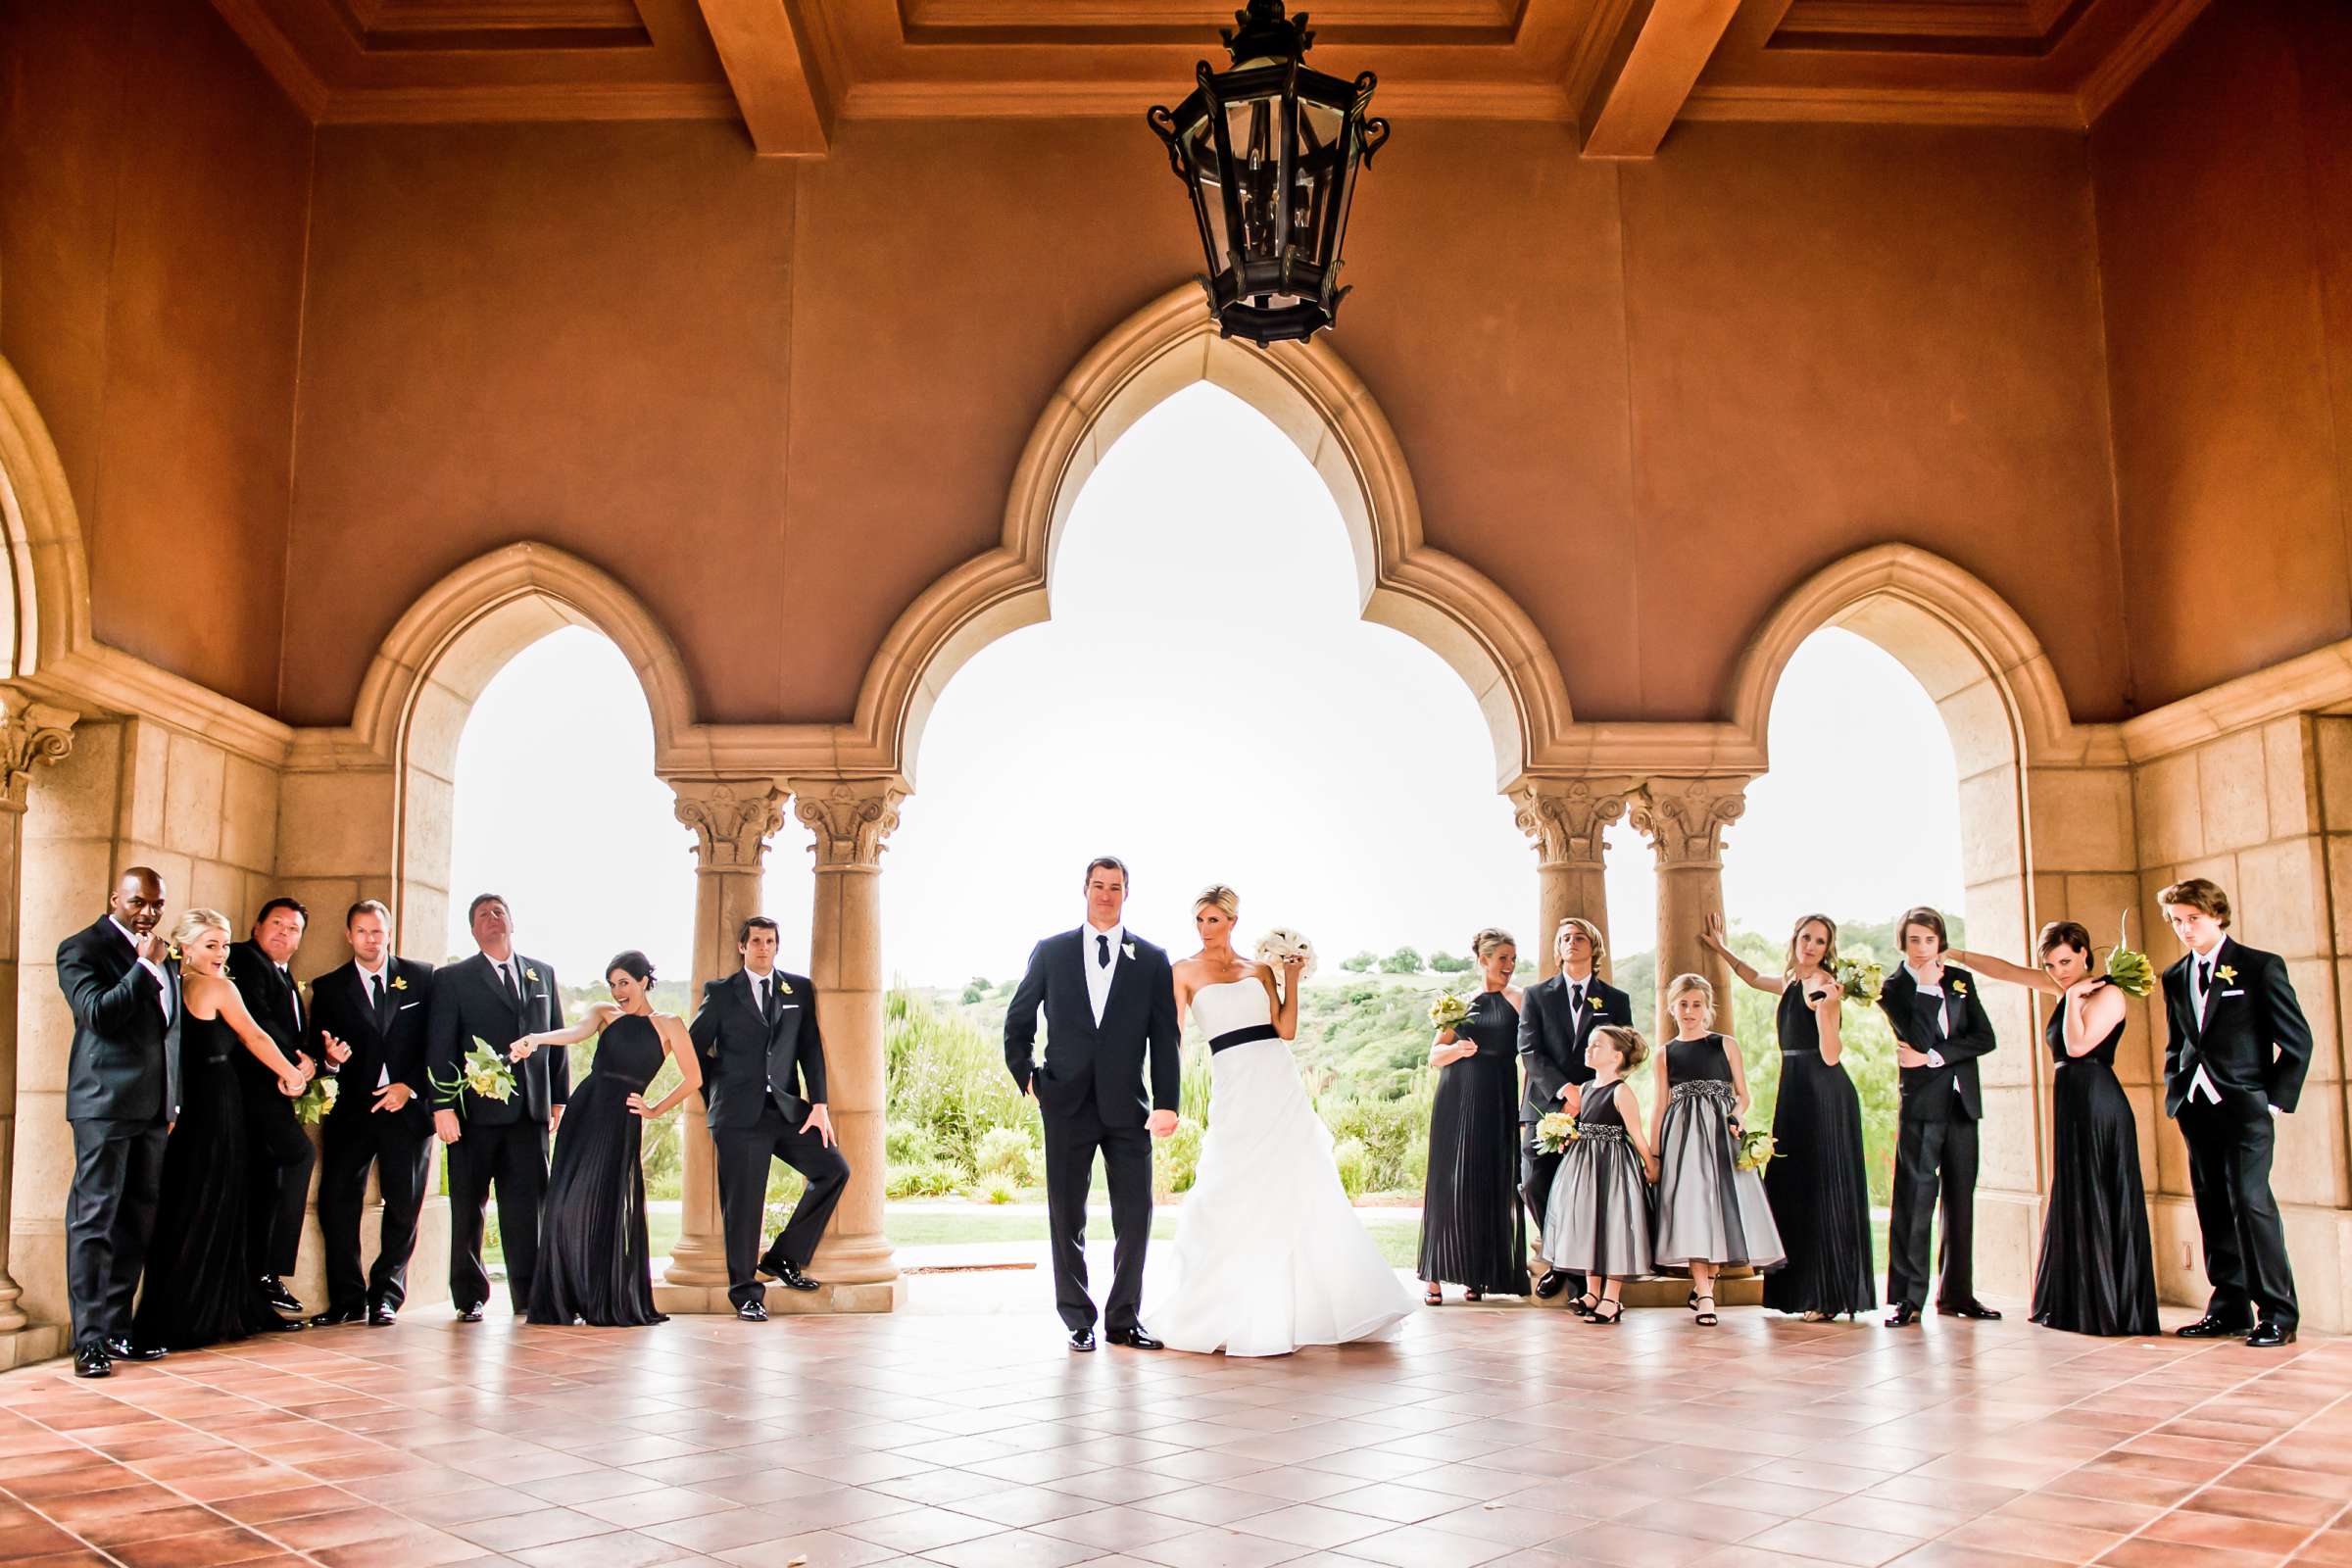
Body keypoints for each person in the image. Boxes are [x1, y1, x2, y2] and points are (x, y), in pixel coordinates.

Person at [1149, 887, 1417, 1355]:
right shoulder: (1183, 972)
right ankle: (1230, 1305)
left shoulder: (1258, 970)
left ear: (1233, 921)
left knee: (1299, 1178)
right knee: (1230, 1182)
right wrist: (1164, 1099)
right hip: (1233, 1082)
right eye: (1200, 920)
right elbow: (1170, 1038)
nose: (1206, 928)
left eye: (1215, 920)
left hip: (1277, 1078)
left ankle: (1310, 1310)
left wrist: (1289, 978)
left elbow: (1286, 1030)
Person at [1004, 857, 1181, 1352]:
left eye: (1116, 887)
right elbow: (1018, 1021)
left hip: (1129, 1108)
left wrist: (1167, 1102)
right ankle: (1077, 1319)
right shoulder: (1051, 952)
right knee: (1067, 1214)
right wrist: (1029, 1080)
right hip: (1065, 1104)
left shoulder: (1150, 958)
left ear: (1127, 893)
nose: (1107, 895)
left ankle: (1123, 1319)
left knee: (1136, 1215)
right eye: (1099, 886)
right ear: (1084, 889)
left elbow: (1165, 1039)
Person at [1947, 925, 2158, 1336]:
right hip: (2072, 1103)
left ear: (2084, 955)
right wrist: (1955, 954)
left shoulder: (2108, 993)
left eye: (2065, 962)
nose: (2057, 972)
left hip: (2099, 1103)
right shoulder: (2062, 986)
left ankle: (2110, 1308)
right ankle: (2076, 1304)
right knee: (2076, 1193)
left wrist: (2075, 999)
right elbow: (2006, 971)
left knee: (2098, 1191)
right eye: (2049, 965)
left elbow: (2077, 1047)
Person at [132, 909, 313, 1349]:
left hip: (181, 1108)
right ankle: (212, 1312)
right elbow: (255, 1038)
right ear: (186, 946)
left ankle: (183, 1310)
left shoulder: (166, 983)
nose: (221, 952)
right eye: (211, 944)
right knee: (216, 1204)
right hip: (215, 1108)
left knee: (186, 1206)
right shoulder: (218, 987)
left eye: (226, 944)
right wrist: (293, 1075)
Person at [2158, 878, 2313, 1348]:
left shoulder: (2259, 967)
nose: (2185, 929)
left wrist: (2269, 1100)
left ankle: (2278, 1314)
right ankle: (2228, 1305)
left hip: (2246, 1108)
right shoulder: (2174, 976)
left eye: (2193, 919)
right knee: (2212, 1203)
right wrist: (2176, 1086)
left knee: (2249, 1201)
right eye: (2178, 921)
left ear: (2218, 916)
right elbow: (2179, 1042)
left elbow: (2297, 1042)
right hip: (2196, 1106)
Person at [1703, 912, 1873, 1320]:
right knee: (1794, 1185)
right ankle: (1803, 1291)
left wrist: (1828, 1011)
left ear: (1827, 949)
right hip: (1795, 1088)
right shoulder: (1792, 981)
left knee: (1821, 1187)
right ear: (1795, 939)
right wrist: (1722, 947)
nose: (1810, 946)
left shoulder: (1821, 986)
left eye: (1819, 941)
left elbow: (1831, 1055)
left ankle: (1825, 1294)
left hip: (1823, 1092)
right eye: (1805, 938)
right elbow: (1752, 977)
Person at [524, 951, 700, 1326]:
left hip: (621, 1118)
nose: (618, 991)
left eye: (624, 982)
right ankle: (561, 1297)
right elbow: (575, 1033)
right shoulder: (605, 1013)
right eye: (613, 984)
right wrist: (537, 1038)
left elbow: (694, 1078)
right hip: (586, 1110)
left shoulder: (669, 1025)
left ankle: (601, 1299)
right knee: (564, 1205)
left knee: (605, 1205)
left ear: (643, 981)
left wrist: (654, 1109)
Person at [691, 915, 851, 1322]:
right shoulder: (722, 993)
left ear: (777, 947)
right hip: (737, 1116)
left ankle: (783, 1257)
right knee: (744, 1206)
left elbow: (810, 1046)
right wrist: (716, 1095)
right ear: (742, 947)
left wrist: (819, 1104)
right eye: (756, 941)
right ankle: (745, 1293)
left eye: (770, 941)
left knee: (833, 1170)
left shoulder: (797, 988)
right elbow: (693, 1050)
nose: (763, 947)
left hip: (787, 1110)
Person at [56, 867, 182, 1377]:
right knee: (94, 1222)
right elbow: (99, 1015)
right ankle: (87, 1340)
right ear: (116, 898)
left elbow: (168, 1031)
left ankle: (116, 1331)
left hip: (152, 1111)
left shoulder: (162, 951)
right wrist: (145, 970)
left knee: (136, 1221)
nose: (149, 912)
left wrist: (171, 1101)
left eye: (157, 903)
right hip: (103, 1106)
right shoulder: (81, 948)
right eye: (139, 902)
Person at [427, 894, 569, 1320]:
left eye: (499, 912)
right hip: (473, 1116)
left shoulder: (541, 974)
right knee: (468, 1207)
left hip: (529, 1114)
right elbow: (440, 1045)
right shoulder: (453, 979)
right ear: (473, 930)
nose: (493, 919)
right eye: (483, 915)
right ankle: (469, 1295)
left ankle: (528, 1295)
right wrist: (442, 1106)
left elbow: (557, 1037)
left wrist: (558, 1099)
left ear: (512, 921)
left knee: (527, 1210)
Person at [307, 900, 437, 1327]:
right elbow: (318, 1051)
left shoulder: (422, 978)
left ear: (388, 932)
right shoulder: (327, 988)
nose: (370, 939)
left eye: (377, 931)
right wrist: (330, 1060)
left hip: (407, 1109)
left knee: (404, 1205)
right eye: (361, 931)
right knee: (337, 1204)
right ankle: (347, 1299)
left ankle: (386, 1296)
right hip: (351, 1111)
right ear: (349, 936)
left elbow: (438, 1044)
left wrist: (410, 1086)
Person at [1878, 905, 2002, 1326]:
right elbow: (1913, 1035)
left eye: (1930, 940)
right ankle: (1906, 1298)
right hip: (1921, 1106)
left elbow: (1984, 1038)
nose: (1922, 949)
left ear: (1940, 942)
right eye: (1914, 940)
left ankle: (1958, 1294)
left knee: (1960, 1199)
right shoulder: (1892, 988)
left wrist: (1934, 1057)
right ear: (1903, 942)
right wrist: (1928, 992)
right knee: (1914, 1199)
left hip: (1962, 1102)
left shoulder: (1960, 980)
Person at [1648, 974, 1783, 1326]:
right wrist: (1655, 1152)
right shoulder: (1665, 1054)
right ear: (1672, 1007)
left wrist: (1735, 1116)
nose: (1689, 1011)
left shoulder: (1725, 1045)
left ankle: (1709, 1279)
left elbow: (1743, 1094)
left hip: (1721, 1135)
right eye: (1683, 1004)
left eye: (1696, 1004)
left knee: (1722, 1208)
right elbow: (1660, 1106)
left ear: (1707, 1008)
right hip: (1683, 1138)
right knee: (1692, 1207)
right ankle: (1704, 1293)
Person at [1517, 916, 1630, 1299]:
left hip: (1596, 1107)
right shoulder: (1536, 996)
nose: (1571, 942)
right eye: (1564, 937)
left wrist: (1590, 1092)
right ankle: (1561, 1259)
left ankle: (1583, 1273)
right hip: (1545, 1103)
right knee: (1535, 1183)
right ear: (1558, 948)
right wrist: (1566, 1089)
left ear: (1593, 947)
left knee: (1588, 1189)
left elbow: (1625, 1051)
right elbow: (1529, 1050)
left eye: (1579, 937)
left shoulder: (1616, 1001)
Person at [1419, 928, 1530, 1303]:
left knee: (1488, 1183)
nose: (1509, 966)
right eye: (1502, 959)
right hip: (1455, 1097)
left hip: (1497, 1097)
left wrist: (1524, 1106)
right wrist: (1459, 1050)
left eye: (1513, 959)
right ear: (1483, 960)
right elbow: (1435, 1055)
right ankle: (1435, 1275)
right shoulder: (1459, 1004)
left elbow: (1529, 1055)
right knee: (1448, 1182)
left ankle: (1477, 1273)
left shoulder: (1520, 1001)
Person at [227, 898, 322, 1321]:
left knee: (267, 1183)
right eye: (277, 924)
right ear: (256, 926)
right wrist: (293, 1062)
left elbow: (289, 1030)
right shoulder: (247, 962)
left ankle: (257, 1287)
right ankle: (269, 1272)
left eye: (294, 928)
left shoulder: (286, 976)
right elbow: (258, 1022)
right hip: (250, 1091)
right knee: (298, 1154)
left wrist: (314, 1059)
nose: (284, 933)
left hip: (274, 1089)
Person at [1538, 1024, 1655, 1324]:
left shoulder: (1621, 1091)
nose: (1589, 1050)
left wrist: (1651, 1163)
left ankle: (1612, 1297)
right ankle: (1592, 1291)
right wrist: (1565, 1135)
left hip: (1613, 1165)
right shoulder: (1586, 1088)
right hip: (1584, 1167)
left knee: (1613, 1226)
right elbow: (1578, 1123)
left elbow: (1636, 1134)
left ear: (1616, 1057)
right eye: (1590, 1045)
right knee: (1588, 1223)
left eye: (1596, 1046)